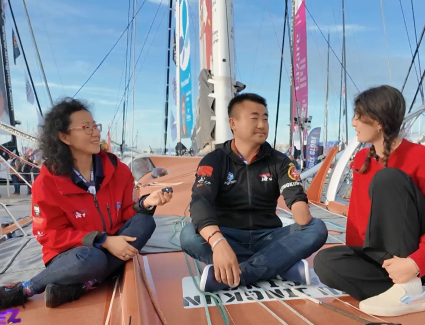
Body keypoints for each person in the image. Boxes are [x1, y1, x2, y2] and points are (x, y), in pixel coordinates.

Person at [313, 85, 425, 316]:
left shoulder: (421, 157)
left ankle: (411, 288)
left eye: (358, 116)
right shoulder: (362, 159)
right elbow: (362, 222)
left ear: (378, 121)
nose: (353, 122)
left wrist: (415, 263)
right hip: (390, 264)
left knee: (388, 178)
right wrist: (364, 256)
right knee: (324, 262)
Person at [0, 98, 172, 310]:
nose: (95, 133)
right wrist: (103, 241)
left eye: (94, 126)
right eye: (85, 127)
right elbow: (48, 235)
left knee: (146, 222)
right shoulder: (47, 182)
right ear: (64, 137)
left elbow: (126, 212)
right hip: (74, 255)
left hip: (112, 241)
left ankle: (82, 286)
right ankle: (28, 288)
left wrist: (146, 203)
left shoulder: (118, 169)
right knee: (93, 258)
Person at [180, 93, 327, 292]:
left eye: (265, 119)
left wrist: (298, 201)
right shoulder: (214, 160)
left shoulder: (280, 161)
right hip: (227, 235)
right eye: (254, 118)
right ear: (233, 123)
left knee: (316, 227)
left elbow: (301, 216)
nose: (261, 124)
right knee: (189, 234)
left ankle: (239, 274)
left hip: (268, 236)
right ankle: (278, 265)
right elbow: (200, 203)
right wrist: (218, 242)